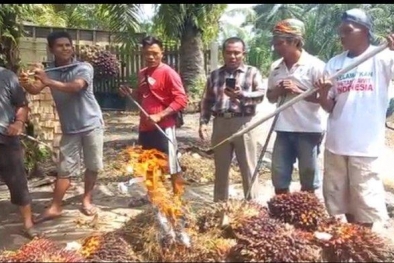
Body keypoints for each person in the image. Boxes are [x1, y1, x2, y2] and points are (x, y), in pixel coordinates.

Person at [316, 8, 394, 228]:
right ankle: (352, 239)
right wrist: (322, 92)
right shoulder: (334, 64)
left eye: (347, 30)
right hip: (336, 144)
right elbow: (329, 106)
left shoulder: (383, 57)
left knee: (365, 200)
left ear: (365, 31)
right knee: (340, 200)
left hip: (365, 147)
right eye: (340, 31)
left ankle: (366, 244)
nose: (342, 35)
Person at [18, 31, 104, 223]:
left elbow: (76, 87)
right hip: (70, 128)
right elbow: (34, 89)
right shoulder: (50, 72)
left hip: (92, 125)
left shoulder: (84, 67)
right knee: (65, 169)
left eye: (68, 45)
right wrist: (26, 83)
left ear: (72, 47)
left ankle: (87, 200)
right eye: (60, 46)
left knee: (93, 165)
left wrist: (47, 81)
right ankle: (56, 207)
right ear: (51, 49)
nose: (65, 48)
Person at [199, 37, 266, 202]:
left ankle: (252, 208)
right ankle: (220, 208)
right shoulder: (214, 75)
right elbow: (207, 100)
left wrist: (241, 95)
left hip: (244, 122)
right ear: (223, 54)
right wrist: (203, 122)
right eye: (229, 52)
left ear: (243, 53)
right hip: (221, 123)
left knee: (248, 167)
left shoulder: (252, 72)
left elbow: (260, 95)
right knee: (221, 169)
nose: (233, 56)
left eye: (237, 53)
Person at [119, 36, 187, 193]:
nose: (151, 57)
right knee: (148, 165)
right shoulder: (142, 73)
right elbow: (142, 95)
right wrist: (129, 92)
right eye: (147, 53)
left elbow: (182, 100)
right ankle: (156, 199)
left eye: (155, 53)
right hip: (145, 128)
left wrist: (160, 115)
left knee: (172, 165)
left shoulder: (169, 73)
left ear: (162, 53)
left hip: (164, 128)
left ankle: (178, 201)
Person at [266, 19, 326, 195]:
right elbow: (270, 97)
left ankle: (306, 218)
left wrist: (298, 90)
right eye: (275, 43)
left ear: (295, 41)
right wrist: (278, 90)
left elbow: (324, 99)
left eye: (281, 43)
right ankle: (281, 217)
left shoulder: (316, 66)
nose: (276, 47)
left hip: (309, 130)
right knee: (279, 177)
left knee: (308, 179)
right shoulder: (275, 67)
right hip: (283, 129)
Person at [0, 66, 40, 238]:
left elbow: (22, 105)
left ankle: (28, 224)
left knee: (18, 181)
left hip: (6, 139)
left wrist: (18, 124)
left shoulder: (7, 76)